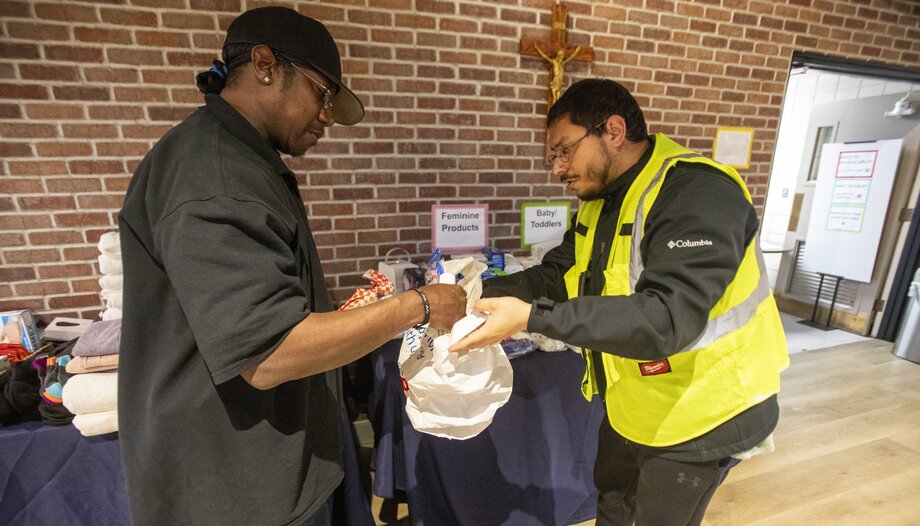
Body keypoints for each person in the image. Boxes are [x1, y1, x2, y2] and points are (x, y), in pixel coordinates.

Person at [117, 6, 466, 526]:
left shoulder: (241, 159)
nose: (327, 116)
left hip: (267, 466)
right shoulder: (215, 177)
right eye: (322, 94)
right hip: (234, 488)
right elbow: (269, 352)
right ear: (264, 64)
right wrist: (416, 306)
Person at [450, 78, 789, 525]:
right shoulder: (599, 199)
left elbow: (667, 318)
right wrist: (467, 298)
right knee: (610, 502)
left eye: (564, 150)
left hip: (704, 409)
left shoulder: (696, 191)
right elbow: (558, 274)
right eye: (553, 157)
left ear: (612, 130)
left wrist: (531, 317)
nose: (557, 169)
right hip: (635, 401)